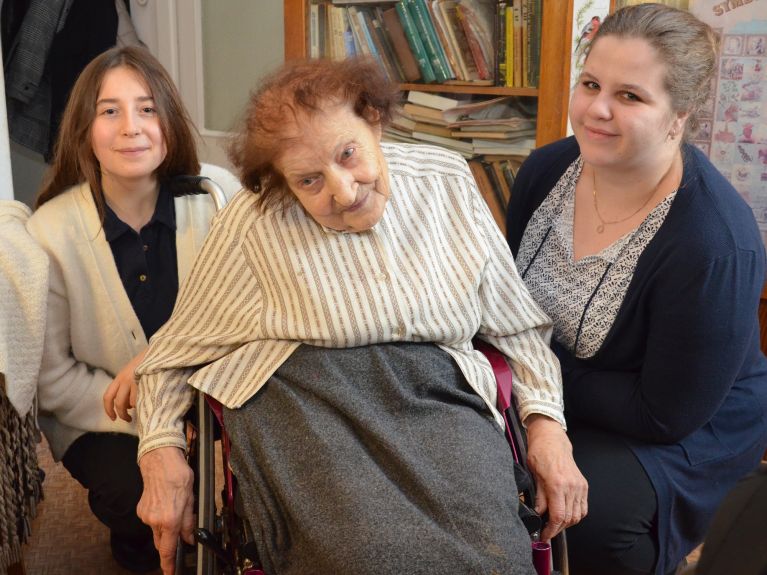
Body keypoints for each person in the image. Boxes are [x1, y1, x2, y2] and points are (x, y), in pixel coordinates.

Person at [134, 57, 588, 575]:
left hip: (436, 397)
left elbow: (518, 328)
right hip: (303, 402)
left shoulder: (446, 183)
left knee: (494, 558)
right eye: (308, 180)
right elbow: (170, 357)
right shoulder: (256, 221)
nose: (342, 191)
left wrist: (549, 428)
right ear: (282, 182)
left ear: (374, 120)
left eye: (348, 154)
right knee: (362, 559)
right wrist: (161, 453)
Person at [506, 4, 767, 575]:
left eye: (631, 96)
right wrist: (537, 405)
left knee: (587, 516)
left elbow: (664, 414)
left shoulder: (715, 242)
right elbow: (503, 298)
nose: (597, 109)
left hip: (683, 420)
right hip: (559, 389)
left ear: (680, 115)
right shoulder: (546, 169)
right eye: (592, 84)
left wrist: (533, 384)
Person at [26, 45, 226, 573]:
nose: (131, 127)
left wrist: (163, 373)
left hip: (210, 400)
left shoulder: (216, 197)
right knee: (135, 499)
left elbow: (247, 318)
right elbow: (54, 380)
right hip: (101, 417)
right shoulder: (50, 232)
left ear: (169, 120)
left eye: (147, 108)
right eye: (109, 111)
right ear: (84, 130)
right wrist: (155, 424)